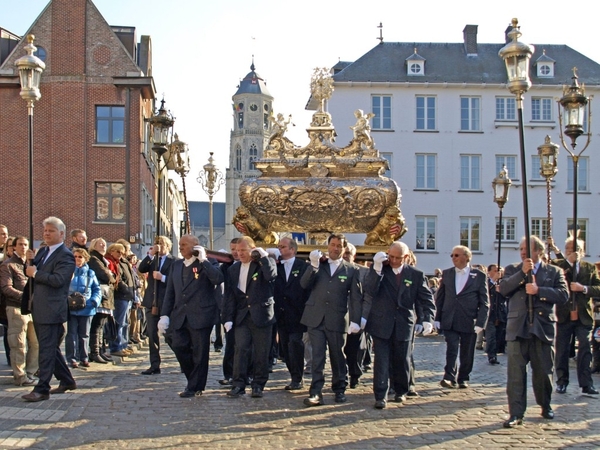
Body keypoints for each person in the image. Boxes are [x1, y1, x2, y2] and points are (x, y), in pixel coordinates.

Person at [499, 236, 568, 428]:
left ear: (538, 251)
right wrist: (522, 273)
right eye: (520, 249)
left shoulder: (554, 271)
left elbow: (563, 295)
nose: (522, 252)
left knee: (543, 373)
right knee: (515, 375)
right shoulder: (513, 269)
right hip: (518, 327)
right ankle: (516, 413)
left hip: (541, 327)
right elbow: (503, 289)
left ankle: (545, 404)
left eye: (526, 249)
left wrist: (539, 290)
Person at [363, 241, 435, 409]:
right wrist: (377, 268)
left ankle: (401, 391)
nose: (394, 261)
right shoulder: (381, 270)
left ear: (406, 257)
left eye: (398, 258)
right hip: (382, 323)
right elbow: (370, 289)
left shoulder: (416, 274)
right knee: (381, 361)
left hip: (404, 323)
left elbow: (426, 299)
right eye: (392, 256)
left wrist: (427, 319)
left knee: (402, 359)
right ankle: (380, 395)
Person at [300, 233, 362, 406]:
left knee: (337, 356)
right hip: (316, 318)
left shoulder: (351, 270)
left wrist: (356, 320)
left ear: (344, 248)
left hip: (337, 318)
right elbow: (304, 285)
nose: (335, 248)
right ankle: (316, 392)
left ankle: (339, 388)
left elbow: (356, 298)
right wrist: (313, 266)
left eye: (339, 246)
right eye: (333, 245)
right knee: (317, 356)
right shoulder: (318, 265)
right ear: (327, 246)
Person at [159, 235, 224, 397]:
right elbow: (170, 292)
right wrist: (164, 315)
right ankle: (192, 380)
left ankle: (195, 386)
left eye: (184, 244)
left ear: (196, 246)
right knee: (179, 346)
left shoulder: (208, 263)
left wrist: (204, 261)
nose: (180, 247)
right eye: (179, 244)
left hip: (201, 315)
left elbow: (217, 278)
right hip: (180, 315)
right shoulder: (176, 265)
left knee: (200, 353)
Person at [22, 216, 76, 402]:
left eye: (51, 230)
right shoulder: (43, 252)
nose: (46, 233)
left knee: (46, 349)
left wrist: (36, 272)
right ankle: (67, 380)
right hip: (39, 307)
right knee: (50, 348)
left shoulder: (66, 255)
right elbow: (30, 275)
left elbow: (58, 280)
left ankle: (42, 388)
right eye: (45, 230)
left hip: (52, 309)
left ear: (61, 234)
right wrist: (29, 263)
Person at [223, 236, 277, 399]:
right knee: (240, 349)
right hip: (242, 316)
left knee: (261, 352)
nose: (239, 254)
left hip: (261, 315)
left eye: (243, 250)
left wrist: (264, 258)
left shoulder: (264, 263)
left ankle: (258, 384)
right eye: (237, 251)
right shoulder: (233, 269)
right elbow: (230, 296)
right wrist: (227, 318)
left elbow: (271, 276)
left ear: (252, 249)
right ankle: (238, 383)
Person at [434, 245, 489, 389]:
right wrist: (437, 318)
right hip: (450, 317)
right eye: (452, 255)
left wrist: (481, 322)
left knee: (467, 350)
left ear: (466, 257)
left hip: (469, 319)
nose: (453, 258)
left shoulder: (478, 276)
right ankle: (449, 376)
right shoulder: (447, 274)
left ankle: (463, 377)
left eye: (456, 255)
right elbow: (441, 298)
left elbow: (484, 301)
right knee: (451, 347)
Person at [551, 237, 600, 396]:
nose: (573, 252)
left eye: (577, 249)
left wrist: (583, 288)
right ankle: (561, 381)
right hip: (564, 314)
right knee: (562, 350)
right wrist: (557, 252)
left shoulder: (589, 267)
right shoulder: (559, 265)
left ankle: (586, 384)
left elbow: (598, 288)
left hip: (583, 315)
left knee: (585, 347)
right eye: (569, 249)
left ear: (583, 251)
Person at [0, 236, 39, 385]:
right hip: (16, 307)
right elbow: (6, 288)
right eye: (20, 244)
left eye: (25, 245)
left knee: (35, 343)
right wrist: (25, 297)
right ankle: (20, 376)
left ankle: (31, 371)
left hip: (32, 309)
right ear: (14, 247)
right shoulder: (8, 265)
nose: (23, 247)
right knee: (19, 343)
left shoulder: (30, 265)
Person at [274, 237, 310, 391]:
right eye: (279, 246)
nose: (280, 249)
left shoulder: (302, 266)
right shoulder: (277, 266)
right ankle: (292, 373)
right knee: (285, 348)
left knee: (295, 345)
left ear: (292, 249)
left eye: (283, 246)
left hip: (297, 313)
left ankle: (297, 377)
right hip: (281, 314)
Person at [138, 236, 177, 375]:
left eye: (161, 244)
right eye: (157, 244)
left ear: (167, 246)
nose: (159, 246)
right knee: (152, 335)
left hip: (166, 302)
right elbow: (141, 269)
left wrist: (163, 278)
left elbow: (176, 281)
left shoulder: (174, 261)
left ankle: (184, 360)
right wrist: (150, 254)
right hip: (151, 302)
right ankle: (154, 365)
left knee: (170, 335)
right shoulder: (152, 260)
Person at [65, 248, 101, 368]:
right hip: (71, 308)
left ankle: (84, 357)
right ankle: (71, 358)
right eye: (75, 256)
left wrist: (93, 301)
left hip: (86, 308)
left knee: (84, 334)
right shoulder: (68, 271)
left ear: (85, 259)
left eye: (80, 257)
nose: (77, 259)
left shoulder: (90, 273)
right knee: (71, 334)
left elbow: (97, 289)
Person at [342, 242, 369, 389]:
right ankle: (342, 375)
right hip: (339, 316)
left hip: (356, 316)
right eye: (344, 253)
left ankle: (355, 374)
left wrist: (363, 317)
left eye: (348, 253)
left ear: (354, 255)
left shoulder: (364, 272)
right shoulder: (336, 269)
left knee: (356, 348)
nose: (345, 256)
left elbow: (367, 297)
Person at [87, 238, 116, 364]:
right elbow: (106, 275)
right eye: (101, 244)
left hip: (106, 296)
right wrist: (111, 276)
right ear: (94, 245)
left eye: (105, 244)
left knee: (102, 325)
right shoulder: (94, 259)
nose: (104, 246)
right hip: (100, 295)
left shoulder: (102, 260)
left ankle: (100, 350)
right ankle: (95, 352)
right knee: (97, 325)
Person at [105, 242, 135, 357]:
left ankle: (123, 344)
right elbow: (119, 279)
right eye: (118, 251)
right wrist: (127, 289)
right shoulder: (113, 263)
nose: (120, 254)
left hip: (127, 296)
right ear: (112, 250)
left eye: (122, 252)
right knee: (119, 323)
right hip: (120, 296)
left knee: (124, 322)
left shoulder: (122, 262)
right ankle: (116, 346)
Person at [217, 238, 239, 386]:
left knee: (245, 346)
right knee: (230, 344)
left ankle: (245, 374)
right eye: (232, 249)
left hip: (246, 310)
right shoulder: (226, 267)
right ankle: (229, 374)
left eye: (238, 249)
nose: (235, 253)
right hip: (230, 309)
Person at [485, 264, 508, 365]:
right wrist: (493, 281)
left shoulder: (503, 283)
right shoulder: (486, 283)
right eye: (495, 271)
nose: (498, 273)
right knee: (491, 336)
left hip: (501, 313)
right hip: (490, 314)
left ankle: (497, 351)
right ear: (489, 272)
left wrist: (503, 291)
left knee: (499, 336)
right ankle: (491, 356)